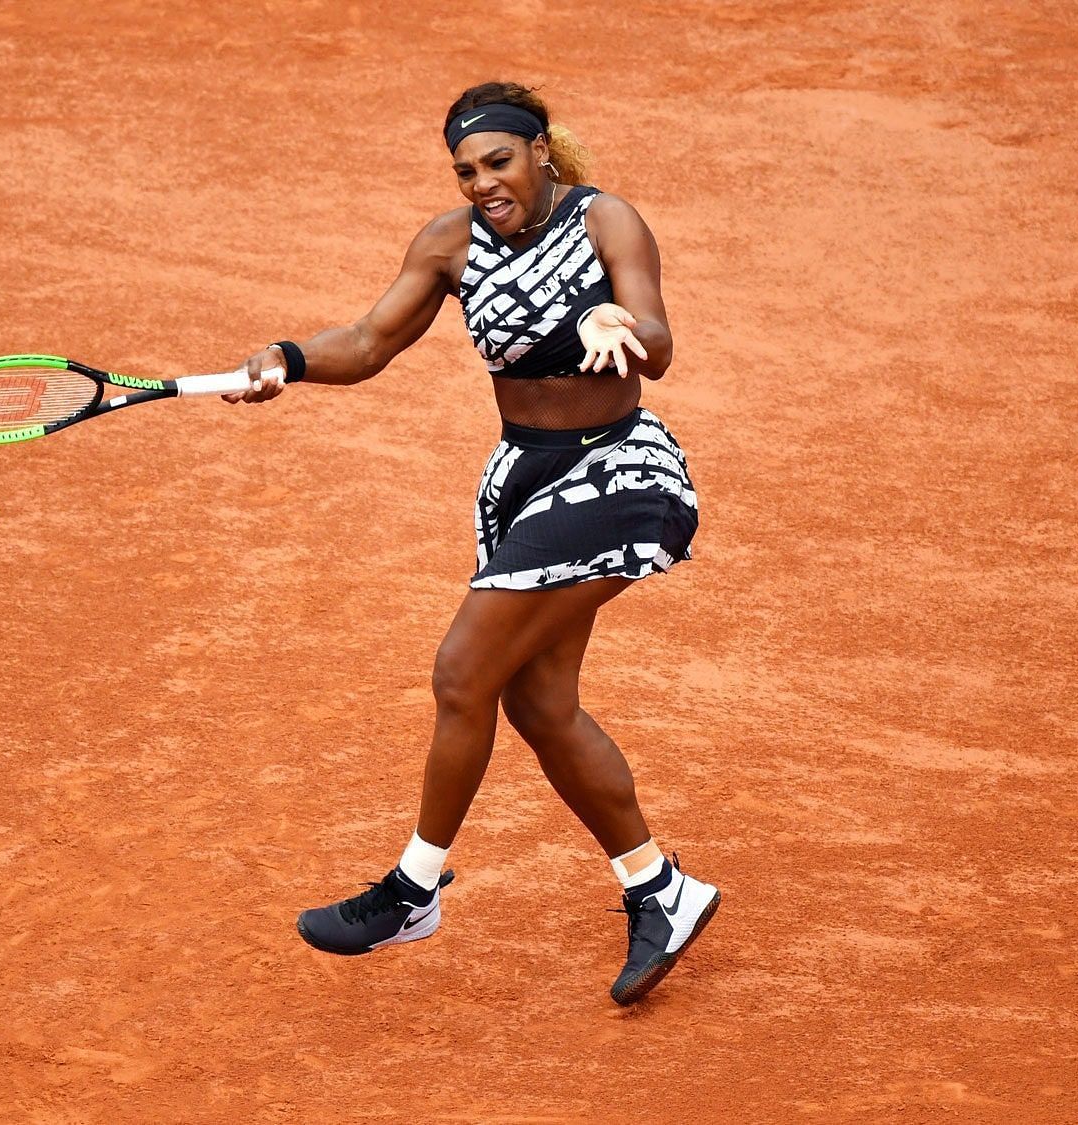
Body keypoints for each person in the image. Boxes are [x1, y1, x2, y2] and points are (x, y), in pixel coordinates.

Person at [225, 81, 719, 1006]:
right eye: (466, 170)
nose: (483, 182)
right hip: (523, 478)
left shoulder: (606, 219)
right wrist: (286, 361)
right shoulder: (450, 245)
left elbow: (657, 342)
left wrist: (621, 324)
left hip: (616, 473)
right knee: (539, 703)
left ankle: (413, 888)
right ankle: (662, 888)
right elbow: (370, 340)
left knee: (462, 672)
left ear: (540, 151)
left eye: (499, 161)